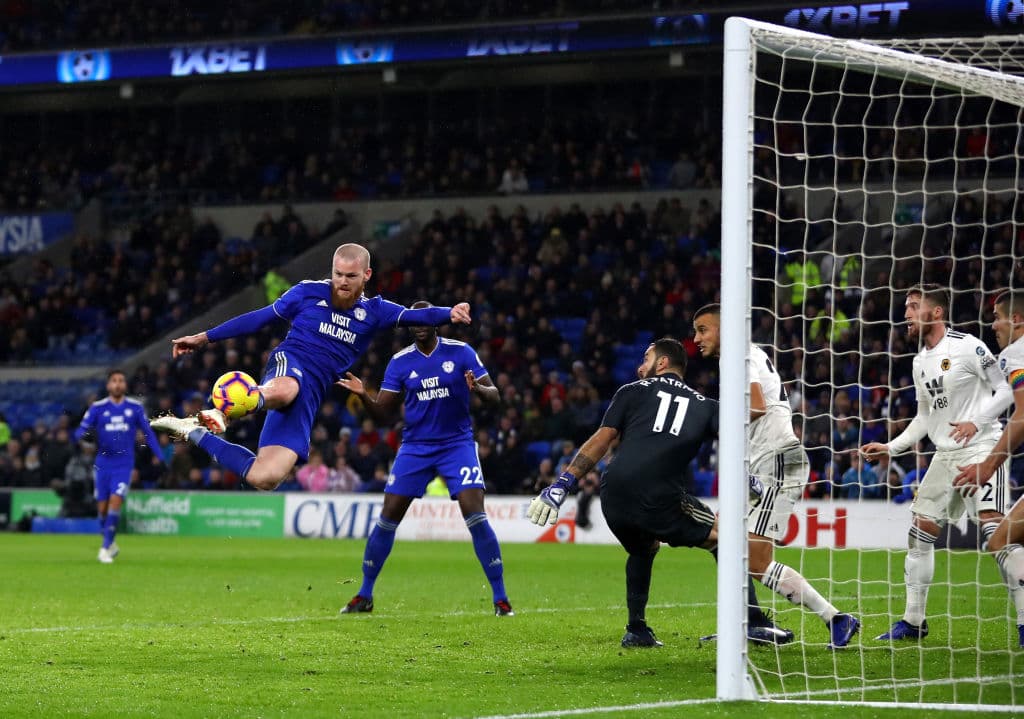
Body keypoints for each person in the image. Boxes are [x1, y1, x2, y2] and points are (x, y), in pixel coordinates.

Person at [528, 339, 810, 648]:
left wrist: (562, 484)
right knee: (726, 538)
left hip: (614, 493)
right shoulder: (707, 407)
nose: (639, 366)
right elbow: (733, 445)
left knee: (643, 547)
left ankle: (636, 629)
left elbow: (602, 439)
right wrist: (751, 480)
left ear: (662, 364)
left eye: (646, 358)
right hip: (660, 496)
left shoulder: (630, 391)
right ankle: (753, 622)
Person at [151, 243, 472, 492]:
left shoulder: (375, 311)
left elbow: (415, 316)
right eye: (337, 274)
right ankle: (235, 405)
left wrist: (450, 313)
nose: (342, 282)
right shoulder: (307, 292)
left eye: (351, 276)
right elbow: (259, 318)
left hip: (311, 395)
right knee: (289, 386)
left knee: (266, 477)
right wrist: (205, 337)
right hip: (290, 364)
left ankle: (192, 430)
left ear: (367, 275)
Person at [692, 305, 860, 647]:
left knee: (756, 561)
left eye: (703, 330)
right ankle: (747, 622)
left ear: (724, 328)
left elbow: (756, 406)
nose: (696, 339)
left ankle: (835, 618)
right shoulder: (747, 354)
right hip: (763, 461)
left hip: (776, 459)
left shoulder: (737, 355)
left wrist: (714, 421)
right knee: (726, 538)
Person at [337, 302, 511, 616]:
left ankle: (500, 598)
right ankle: (364, 594)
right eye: (413, 321)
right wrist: (364, 394)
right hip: (415, 447)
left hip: (456, 444)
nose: (418, 325)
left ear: (434, 323)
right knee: (388, 515)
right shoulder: (400, 362)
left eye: (423, 320)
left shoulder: (461, 352)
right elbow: (382, 412)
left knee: (475, 514)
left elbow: (495, 396)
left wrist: (478, 391)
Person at [861, 285, 1012, 641]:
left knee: (996, 532)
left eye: (914, 306)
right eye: (906, 307)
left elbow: (1006, 389)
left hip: (981, 447)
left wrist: (978, 420)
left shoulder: (968, 345)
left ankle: (1023, 623)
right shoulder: (918, 361)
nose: (906, 314)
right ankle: (914, 622)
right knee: (920, 532)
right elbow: (924, 417)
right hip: (945, 456)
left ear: (937, 312)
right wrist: (891, 447)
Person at [953, 290, 1024, 648]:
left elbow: (1022, 415)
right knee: (1004, 539)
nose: (993, 324)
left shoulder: (1014, 354)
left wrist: (988, 465)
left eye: (997, 317)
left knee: (1000, 539)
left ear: (1017, 320)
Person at [73, 369, 166, 563]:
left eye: (121, 380)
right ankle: (110, 541)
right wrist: (84, 439)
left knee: (116, 501)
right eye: (114, 381)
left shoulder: (135, 407)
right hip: (102, 463)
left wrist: (160, 456)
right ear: (108, 385)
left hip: (124, 464)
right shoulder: (97, 408)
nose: (117, 384)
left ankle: (105, 548)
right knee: (103, 509)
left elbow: (148, 433)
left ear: (125, 385)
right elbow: (79, 432)